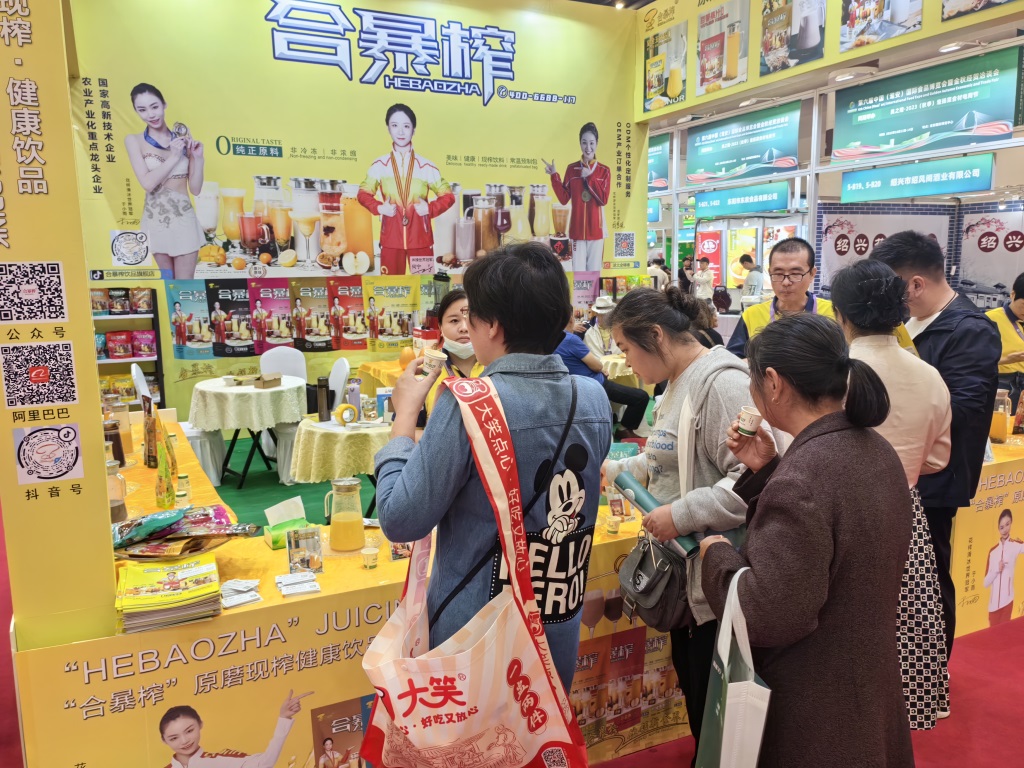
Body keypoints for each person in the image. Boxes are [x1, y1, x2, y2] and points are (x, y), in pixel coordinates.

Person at [375, 241, 613, 689]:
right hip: (555, 627)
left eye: (472, 316)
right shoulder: (593, 398)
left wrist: (405, 416)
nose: (466, 327)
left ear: (493, 326)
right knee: (542, 727)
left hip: (476, 633)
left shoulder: (468, 403)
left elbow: (400, 518)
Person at [701, 313, 914, 768]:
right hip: (867, 679)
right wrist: (768, 471)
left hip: (816, 703)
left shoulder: (805, 475)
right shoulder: (875, 448)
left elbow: (768, 615)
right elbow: (834, 536)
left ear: (773, 383)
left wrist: (715, 556)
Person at [601, 286, 751, 762]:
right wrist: (629, 469)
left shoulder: (721, 384)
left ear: (657, 336)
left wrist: (680, 514)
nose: (626, 363)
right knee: (695, 687)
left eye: (626, 348)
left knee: (715, 699)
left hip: (717, 574)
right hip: (687, 574)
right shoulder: (675, 383)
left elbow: (751, 480)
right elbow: (670, 457)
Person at [832, 258, 952, 728]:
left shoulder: (833, 375)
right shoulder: (929, 375)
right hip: (905, 510)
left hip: (836, 512)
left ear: (842, 314)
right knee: (904, 627)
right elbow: (937, 459)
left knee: (838, 630)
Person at [871, 230, 1000, 660]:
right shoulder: (909, 322)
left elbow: (963, 409)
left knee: (928, 579)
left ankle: (933, 675)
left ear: (915, 284)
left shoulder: (970, 330)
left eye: (891, 288)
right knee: (899, 581)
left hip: (935, 477)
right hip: (899, 470)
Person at [358, 104, 455, 276]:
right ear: (388, 128)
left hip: (421, 240)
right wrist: (380, 208)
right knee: (391, 288)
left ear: (414, 130)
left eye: (406, 126)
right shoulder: (380, 165)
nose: (401, 132)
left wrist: (429, 208)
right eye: (395, 125)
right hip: (390, 240)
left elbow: (448, 196)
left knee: (424, 288)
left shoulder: (426, 166)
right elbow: (363, 194)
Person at [125, 84, 204, 280]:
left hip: (184, 219)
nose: (150, 114)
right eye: (142, 110)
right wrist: (174, 156)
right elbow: (147, 183)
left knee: (185, 287)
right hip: (155, 220)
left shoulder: (182, 138)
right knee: (169, 286)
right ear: (136, 111)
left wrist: (198, 158)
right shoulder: (134, 140)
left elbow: (195, 189)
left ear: (164, 105)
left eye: (154, 107)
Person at [727, 237, 834, 358]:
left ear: (812, 274)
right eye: (778, 274)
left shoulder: (833, 313)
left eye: (795, 274)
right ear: (770, 272)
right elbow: (732, 361)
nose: (786, 282)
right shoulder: (751, 315)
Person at [159, 690, 312, 767]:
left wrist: (283, 718)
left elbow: (264, 764)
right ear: (164, 740)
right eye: (174, 738)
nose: (184, 741)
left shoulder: (221, 761)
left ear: (200, 724)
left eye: (189, 731)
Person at [554, 316, 649, 441]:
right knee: (641, 397)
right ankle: (624, 430)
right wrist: (600, 369)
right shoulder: (572, 338)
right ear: (571, 320)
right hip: (594, 383)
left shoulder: (549, 340)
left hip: (573, 386)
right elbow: (597, 365)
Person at [546, 122, 612, 273]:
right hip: (577, 231)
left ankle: (592, 291)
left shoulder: (604, 171)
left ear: (597, 143)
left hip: (597, 230)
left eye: (591, 143)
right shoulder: (572, 169)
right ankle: (581, 291)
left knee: (593, 272)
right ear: (580, 143)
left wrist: (590, 177)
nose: (588, 147)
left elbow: (603, 200)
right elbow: (564, 198)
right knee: (579, 273)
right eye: (584, 143)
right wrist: (554, 176)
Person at [424, 288, 484, 415]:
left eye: (471, 320)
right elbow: (410, 426)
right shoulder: (427, 370)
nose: (464, 328)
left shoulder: (496, 367)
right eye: (454, 321)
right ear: (440, 327)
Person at [986, 272, 1024, 414]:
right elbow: (972, 361)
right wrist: (1005, 360)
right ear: (1013, 295)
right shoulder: (989, 320)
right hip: (1004, 386)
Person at [984, 509, 1024, 627]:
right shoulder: (993, 552)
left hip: (1007, 602)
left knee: (1004, 634)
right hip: (993, 607)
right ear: (998, 528)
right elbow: (985, 583)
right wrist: (997, 569)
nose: (1005, 529)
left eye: (1007, 524)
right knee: (992, 635)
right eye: (1002, 527)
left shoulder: (1015, 545)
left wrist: (1022, 542)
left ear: (1011, 523)